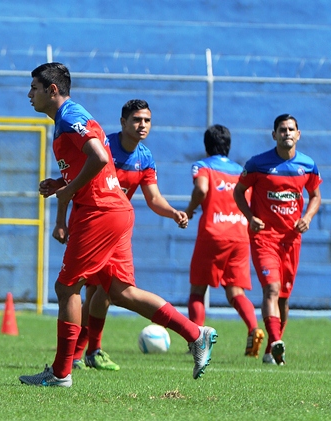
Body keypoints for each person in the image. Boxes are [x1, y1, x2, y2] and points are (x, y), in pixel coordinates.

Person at [19, 62, 217, 387]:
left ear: (52, 90)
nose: (30, 95)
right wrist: (63, 183)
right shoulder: (72, 117)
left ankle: (60, 372)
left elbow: (97, 157)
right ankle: (196, 334)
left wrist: (68, 190)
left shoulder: (69, 116)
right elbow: (93, 163)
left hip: (99, 211)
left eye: (34, 89)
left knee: (67, 286)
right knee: (121, 292)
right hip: (114, 209)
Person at [72, 99, 189, 371]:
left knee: (105, 291)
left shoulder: (144, 157)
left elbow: (153, 197)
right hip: (89, 224)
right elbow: (75, 180)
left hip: (115, 231)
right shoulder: (104, 148)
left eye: (147, 120)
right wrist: (62, 220)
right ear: (123, 122)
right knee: (82, 289)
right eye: (137, 120)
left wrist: (173, 213)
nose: (142, 125)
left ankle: (90, 352)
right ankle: (78, 354)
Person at [233, 114, 321, 366]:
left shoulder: (308, 166)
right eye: (282, 130)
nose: (287, 133)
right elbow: (238, 191)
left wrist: (308, 217)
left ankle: (273, 350)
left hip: (291, 240)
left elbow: (315, 195)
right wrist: (250, 216)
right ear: (274, 135)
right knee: (271, 288)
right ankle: (274, 341)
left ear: (299, 134)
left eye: (291, 129)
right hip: (264, 238)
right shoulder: (258, 164)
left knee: (283, 297)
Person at [184, 124, 264, 357]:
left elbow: (201, 189)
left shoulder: (203, 166)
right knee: (236, 292)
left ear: (206, 146)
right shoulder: (240, 171)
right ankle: (254, 328)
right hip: (239, 235)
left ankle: (198, 340)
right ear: (228, 146)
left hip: (213, 233)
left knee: (198, 290)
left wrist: (189, 210)